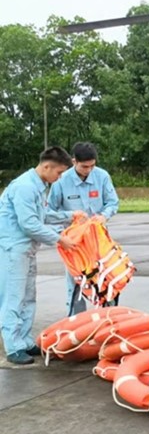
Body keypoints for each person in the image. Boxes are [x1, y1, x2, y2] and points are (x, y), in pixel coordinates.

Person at [0, 147, 77, 365]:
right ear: (46, 166)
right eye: (59, 173)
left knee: (28, 296)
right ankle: (13, 346)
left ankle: (24, 341)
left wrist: (70, 216)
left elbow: (43, 215)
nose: (59, 178)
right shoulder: (25, 187)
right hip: (13, 250)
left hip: (26, 249)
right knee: (13, 298)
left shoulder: (39, 186)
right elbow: (29, 224)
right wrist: (60, 239)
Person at [48, 142, 120, 315]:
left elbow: (112, 202)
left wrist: (104, 216)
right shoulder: (61, 180)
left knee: (106, 277)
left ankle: (109, 318)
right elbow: (50, 211)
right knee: (77, 283)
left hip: (99, 240)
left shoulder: (102, 176)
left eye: (92, 166)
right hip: (74, 243)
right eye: (84, 166)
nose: (88, 170)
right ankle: (77, 322)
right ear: (74, 162)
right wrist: (63, 233)